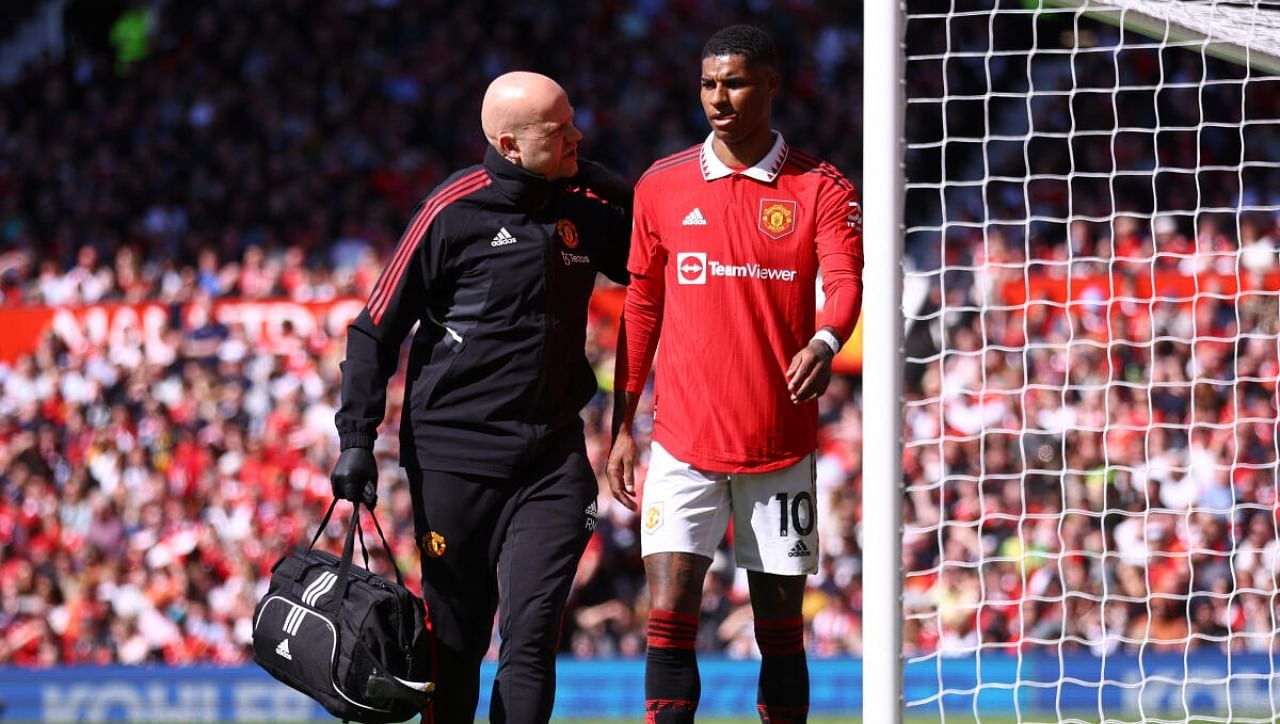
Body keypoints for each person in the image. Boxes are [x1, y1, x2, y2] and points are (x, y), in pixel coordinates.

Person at [330, 71, 631, 724]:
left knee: (530, 641)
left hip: (551, 461)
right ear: (510, 144)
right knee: (457, 644)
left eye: (574, 119)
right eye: (560, 130)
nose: (578, 135)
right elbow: (372, 331)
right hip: (453, 462)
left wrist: (614, 186)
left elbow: (659, 254)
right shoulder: (452, 210)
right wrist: (357, 441)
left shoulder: (583, 207)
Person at [607, 25, 863, 723]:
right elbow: (641, 309)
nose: (719, 98)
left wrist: (826, 337)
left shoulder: (822, 188)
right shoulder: (661, 186)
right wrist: (622, 427)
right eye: (708, 83)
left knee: (780, 634)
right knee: (669, 617)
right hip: (682, 443)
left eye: (736, 82)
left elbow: (844, 280)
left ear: (772, 84)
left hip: (778, 446)